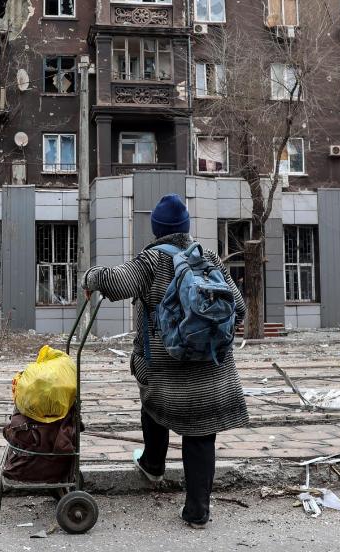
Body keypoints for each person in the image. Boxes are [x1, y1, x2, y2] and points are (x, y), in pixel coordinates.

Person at [82, 193, 248, 529]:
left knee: (153, 404)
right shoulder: (209, 258)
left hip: (166, 369)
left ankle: (153, 465)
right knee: (201, 434)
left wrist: (90, 277)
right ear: (185, 228)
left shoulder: (151, 260)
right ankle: (198, 511)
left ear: (157, 229)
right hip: (212, 368)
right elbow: (240, 308)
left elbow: (115, 282)